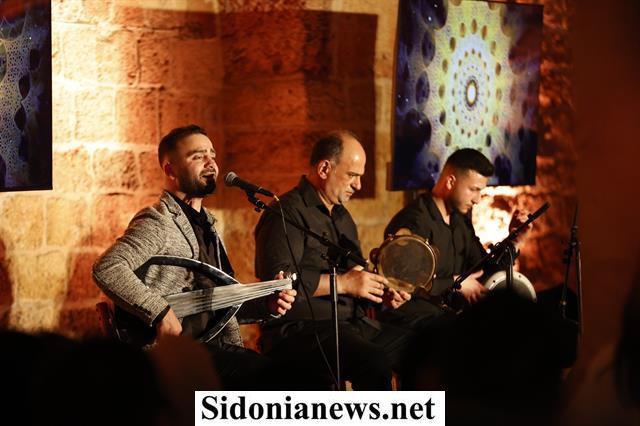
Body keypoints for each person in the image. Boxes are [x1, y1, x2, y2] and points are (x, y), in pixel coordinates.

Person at [93, 124, 296, 390]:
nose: (211, 163)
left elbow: (216, 304)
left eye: (212, 155)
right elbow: (108, 267)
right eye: (198, 156)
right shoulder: (158, 221)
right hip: (180, 355)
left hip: (216, 348)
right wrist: (160, 312)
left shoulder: (208, 224)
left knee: (299, 379)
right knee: (279, 382)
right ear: (171, 170)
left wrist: (266, 305)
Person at [254, 130, 411, 390]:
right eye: (352, 175)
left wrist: (380, 293)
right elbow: (278, 282)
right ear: (324, 168)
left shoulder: (342, 217)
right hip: (302, 329)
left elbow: (356, 276)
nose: (358, 185)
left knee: (421, 350)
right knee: (374, 361)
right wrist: (345, 283)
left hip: (351, 323)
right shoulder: (285, 212)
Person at [383, 148, 531, 328]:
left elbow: (484, 270)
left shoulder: (460, 220)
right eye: (474, 189)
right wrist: (456, 283)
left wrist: (515, 240)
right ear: (450, 181)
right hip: (416, 325)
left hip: (451, 321)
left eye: (480, 191)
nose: (477, 199)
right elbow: (404, 284)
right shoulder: (414, 221)